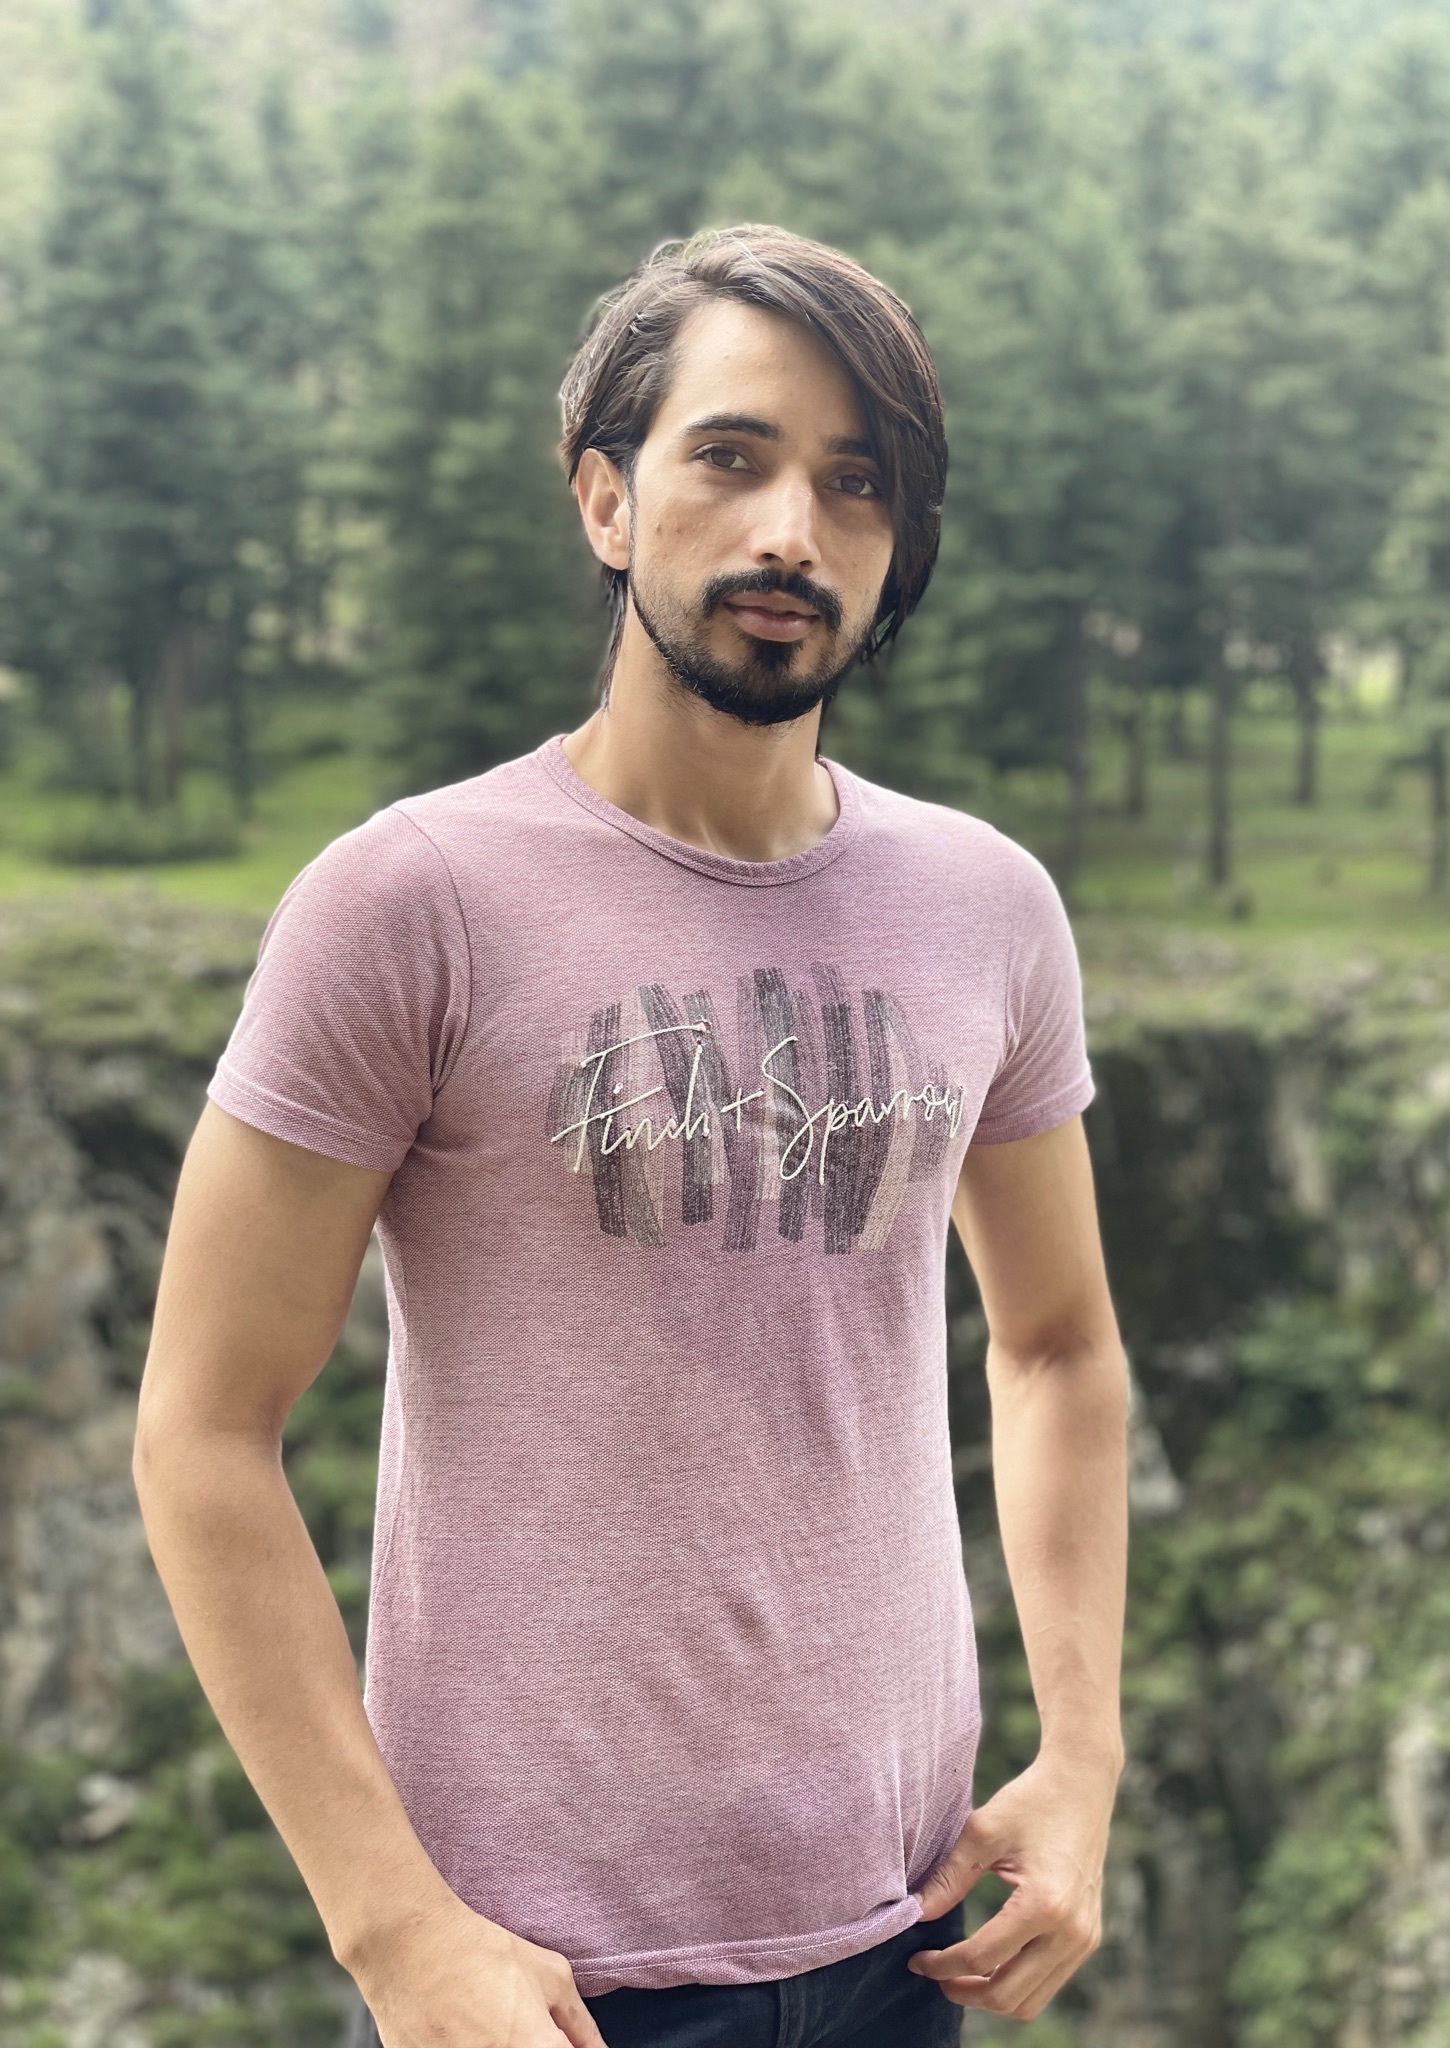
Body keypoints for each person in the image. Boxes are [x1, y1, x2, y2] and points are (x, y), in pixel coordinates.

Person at [133, 223, 1129, 2048]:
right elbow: (201, 1428)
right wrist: (394, 1931)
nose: (791, 532)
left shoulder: (987, 907)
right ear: (606, 497)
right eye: (731, 457)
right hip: (538, 1984)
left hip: (907, 1940)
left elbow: (1059, 1347)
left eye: (855, 483)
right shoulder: (411, 903)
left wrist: (1084, 1759)